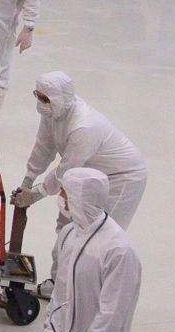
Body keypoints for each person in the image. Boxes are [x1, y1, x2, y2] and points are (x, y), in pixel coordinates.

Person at [12, 169, 141, 332]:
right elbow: (61, 288)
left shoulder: (118, 250)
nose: (60, 197)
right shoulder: (69, 233)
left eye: (64, 193)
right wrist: (51, 327)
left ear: (82, 197)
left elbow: (111, 315)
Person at [14, 73, 148, 229]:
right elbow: (43, 146)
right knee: (68, 226)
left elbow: (67, 168)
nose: (40, 104)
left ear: (59, 99)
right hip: (88, 172)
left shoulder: (83, 126)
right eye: (38, 97)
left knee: (103, 232)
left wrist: (37, 193)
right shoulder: (52, 111)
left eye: (44, 99)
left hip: (122, 177)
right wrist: (28, 179)